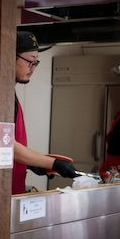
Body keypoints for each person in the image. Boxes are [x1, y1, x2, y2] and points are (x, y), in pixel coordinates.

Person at [12, 31, 78, 193]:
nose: (33, 68)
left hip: (13, 191)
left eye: (36, 63)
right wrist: (52, 163)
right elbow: (5, 146)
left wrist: (34, 163)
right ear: (9, 57)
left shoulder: (10, 95)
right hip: (0, 195)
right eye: (29, 62)